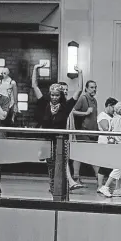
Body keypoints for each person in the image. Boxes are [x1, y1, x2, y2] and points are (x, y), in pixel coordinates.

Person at [32, 63, 84, 192]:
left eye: (57, 95)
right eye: (52, 95)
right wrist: (35, 68)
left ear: (60, 95)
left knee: (61, 167)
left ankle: (62, 190)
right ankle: (53, 188)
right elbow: (34, 86)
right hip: (47, 142)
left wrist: (80, 73)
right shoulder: (45, 104)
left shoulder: (65, 107)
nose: (54, 97)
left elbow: (79, 91)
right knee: (51, 167)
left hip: (61, 142)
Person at [97, 102, 121, 197]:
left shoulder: (116, 118)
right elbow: (117, 134)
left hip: (114, 145)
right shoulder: (119, 119)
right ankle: (106, 187)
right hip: (117, 146)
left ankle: (118, 188)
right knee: (118, 167)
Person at [71, 80, 100, 186]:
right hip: (83, 131)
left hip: (92, 132)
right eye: (92, 87)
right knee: (85, 154)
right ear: (86, 88)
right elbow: (73, 111)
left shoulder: (94, 101)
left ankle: (78, 176)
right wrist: (85, 113)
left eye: (95, 87)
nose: (94, 89)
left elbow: (94, 117)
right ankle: (96, 177)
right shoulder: (83, 98)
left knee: (88, 154)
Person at [96, 97, 118, 196]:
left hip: (111, 144)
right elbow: (106, 128)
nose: (115, 110)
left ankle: (107, 186)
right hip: (104, 143)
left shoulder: (113, 116)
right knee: (104, 165)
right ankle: (100, 186)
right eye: (114, 108)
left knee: (109, 165)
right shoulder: (102, 115)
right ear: (108, 106)